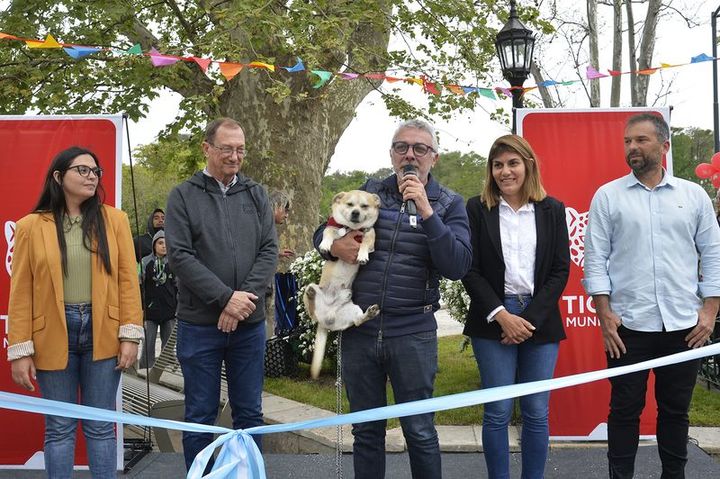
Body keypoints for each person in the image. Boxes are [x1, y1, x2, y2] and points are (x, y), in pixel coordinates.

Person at [314, 119, 472, 479]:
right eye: (402, 147)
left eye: (420, 149)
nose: (410, 155)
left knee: (419, 430)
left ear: (435, 157)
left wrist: (427, 212)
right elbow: (322, 231)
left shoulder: (449, 203)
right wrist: (333, 246)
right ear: (391, 154)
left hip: (412, 333)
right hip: (361, 332)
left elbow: (457, 265)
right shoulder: (371, 192)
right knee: (366, 431)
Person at [583, 113, 720, 479]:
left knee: (675, 412)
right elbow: (594, 258)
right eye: (628, 141)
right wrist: (604, 314)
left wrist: (708, 313)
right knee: (624, 410)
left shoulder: (693, 196)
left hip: (684, 326)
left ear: (664, 146)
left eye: (641, 140)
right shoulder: (608, 196)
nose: (632, 148)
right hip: (628, 327)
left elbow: (713, 252)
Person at [7, 146, 143, 478]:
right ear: (58, 176)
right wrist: (19, 350)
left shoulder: (115, 220)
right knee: (59, 427)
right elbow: (21, 292)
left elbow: (128, 279)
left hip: (104, 331)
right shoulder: (30, 226)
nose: (92, 176)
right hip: (53, 333)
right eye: (82, 170)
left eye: (96, 171)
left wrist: (130, 334)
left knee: (100, 426)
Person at [164, 118, 278, 472]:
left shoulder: (256, 193)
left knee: (249, 413)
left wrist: (240, 301)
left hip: (249, 325)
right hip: (200, 326)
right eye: (226, 148)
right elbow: (180, 256)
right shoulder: (183, 195)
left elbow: (269, 251)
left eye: (240, 149)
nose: (234, 156)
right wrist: (224, 298)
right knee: (200, 414)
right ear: (207, 148)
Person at [461, 135, 570, 479]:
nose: (505, 171)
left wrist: (527, 320)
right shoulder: (476, 208)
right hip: (492, 316)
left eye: (512, 163)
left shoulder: (552, 209)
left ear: (528, 166)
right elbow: (470, 268)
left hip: (539, 317)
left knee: (537, 411)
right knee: (497, 411)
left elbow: (559, 269)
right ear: (490, 171)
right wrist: (503, 317)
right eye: (498, 165)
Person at [138, 230, 177, 369]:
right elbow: (138, 284)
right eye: (160, 243)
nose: (164, 246)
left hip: (169, 310)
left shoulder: (174, 262)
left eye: (167, 243)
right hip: (150, 310)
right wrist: (140, 307)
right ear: (154, 245)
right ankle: (145, 368)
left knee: (168, 345)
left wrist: (178, 307)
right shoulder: (145, 261)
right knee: (148, 342)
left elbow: (178, 286)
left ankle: (167, 370)